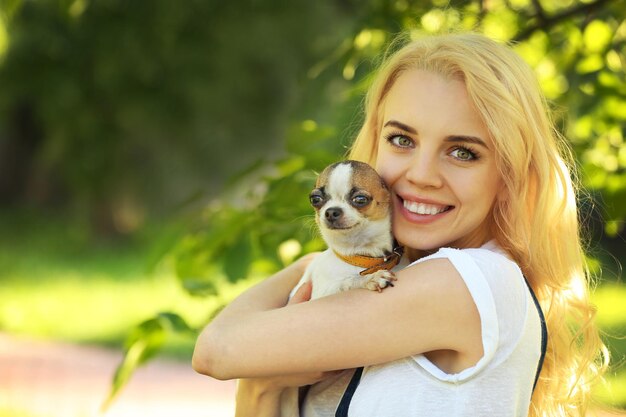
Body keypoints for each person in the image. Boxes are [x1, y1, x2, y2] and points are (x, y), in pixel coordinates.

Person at [192, 32, 608, 417]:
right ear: (374, 146)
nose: (422, 175)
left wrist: (308, 268)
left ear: (509, 179)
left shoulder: (467, 282)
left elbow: (215, 350)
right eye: (402, 140)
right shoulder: (400, 277)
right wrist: (261, 389)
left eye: (463, 152)